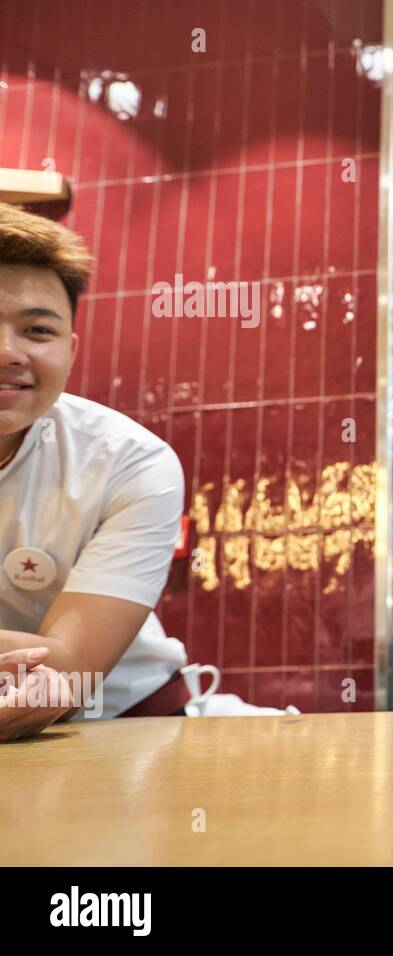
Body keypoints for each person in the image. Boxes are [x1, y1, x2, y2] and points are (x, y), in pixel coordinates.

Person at [0, 202, 189, 739]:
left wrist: (56, 670)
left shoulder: (131, 463)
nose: (6, 352)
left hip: (127, 730)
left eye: (37, 331)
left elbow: (65, 673)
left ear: (70, 349)